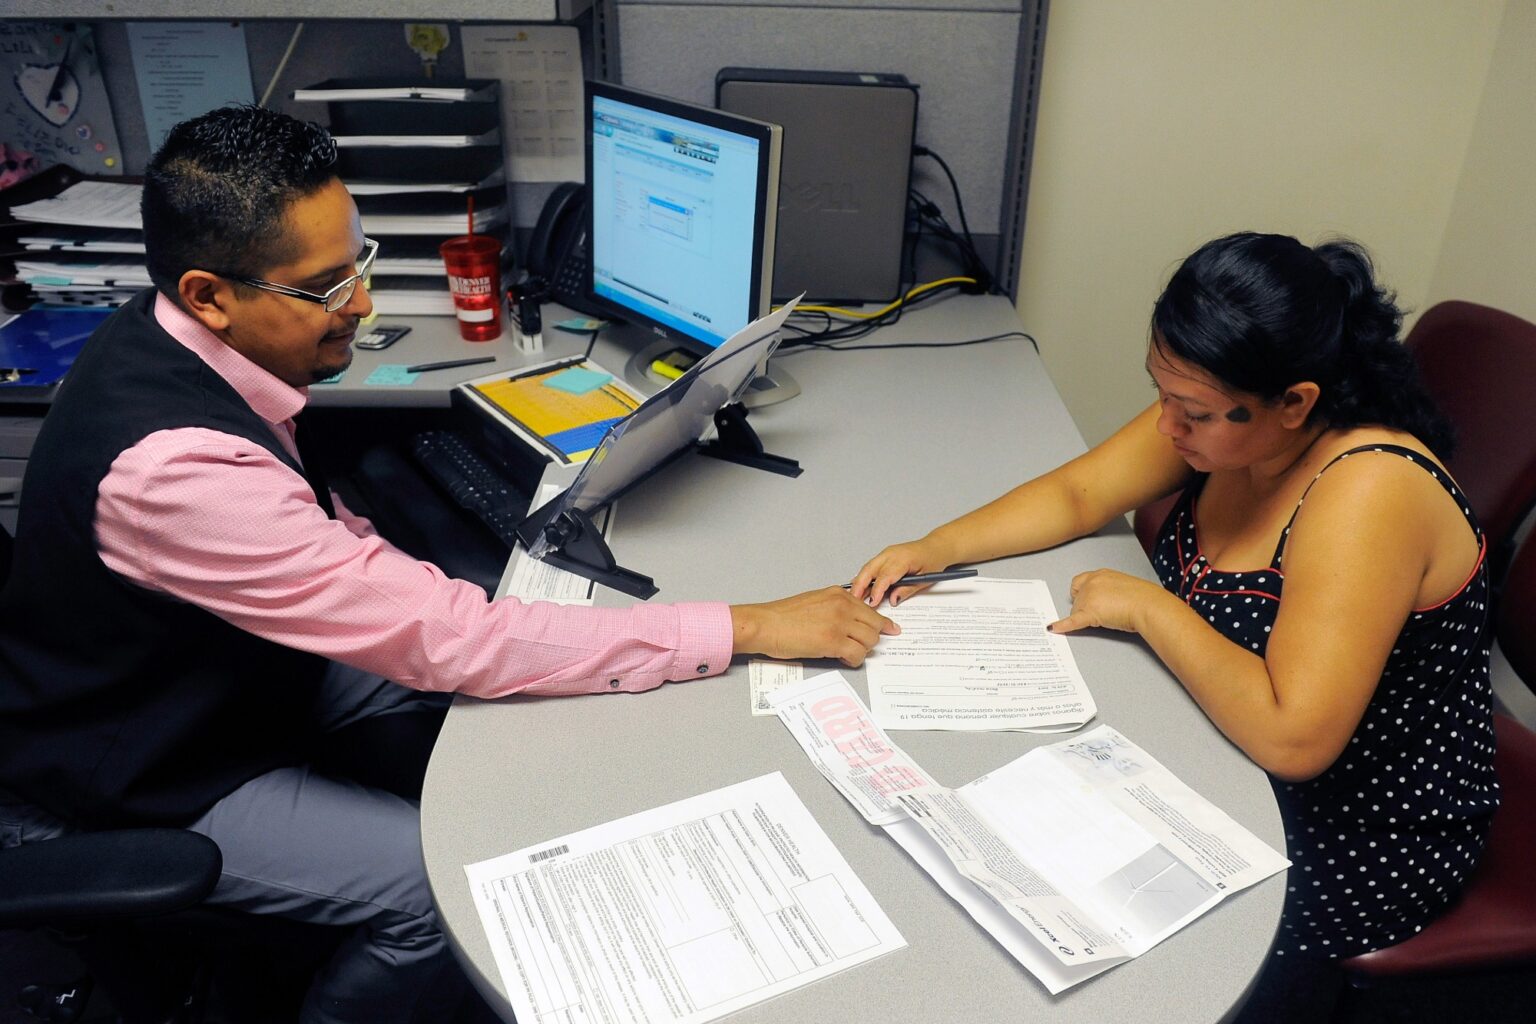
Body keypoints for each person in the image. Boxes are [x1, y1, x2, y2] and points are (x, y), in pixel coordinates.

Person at [0, 104, 894, 1024]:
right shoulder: (174, 470)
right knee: (443, 895)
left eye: (360, 263)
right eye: (324, 288)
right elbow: (443, 636)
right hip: (136, 772)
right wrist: (743, 625)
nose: (362, 304)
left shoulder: (180, 344)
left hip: (218, 675)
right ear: (209, 294)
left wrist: (447, 609)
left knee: (502, 705)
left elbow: (320, 534)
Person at [854, 232, 1499, 1020]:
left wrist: (1148, 606)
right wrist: (934, 549)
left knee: (1134, 977)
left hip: (1363, 826)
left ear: (1295, 402)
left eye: (1190, 411)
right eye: (1163, 395)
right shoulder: (1232, 422)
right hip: (1220, 755)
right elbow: (1080, 494)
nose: (1167, 427)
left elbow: (1297, 740)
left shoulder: (1368, 491)